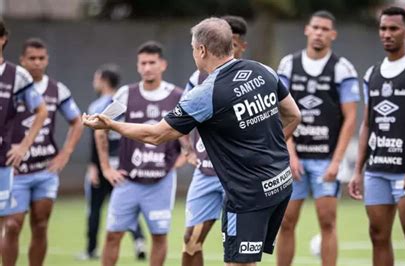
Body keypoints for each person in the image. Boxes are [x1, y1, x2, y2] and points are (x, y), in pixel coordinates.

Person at [83, 17, 301, 266]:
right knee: (230, 255)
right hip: (279, 183)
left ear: (201, 50)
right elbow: (293, 115)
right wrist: (267, 148)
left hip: (246, 193)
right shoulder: (263, 71)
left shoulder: (206, 92)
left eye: (192, 49)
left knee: (238, 263)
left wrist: (110, 124)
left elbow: (156, 135)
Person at [348, 6, 405, 265]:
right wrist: (358, 169)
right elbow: (367, 123)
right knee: (378, 235)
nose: (387, 34)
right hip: (377, 169)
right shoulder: (372, 74)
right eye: (383, 28)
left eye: (393, 29)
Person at [275, 10, 359, 266]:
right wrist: (290, 154)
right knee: (286, 221)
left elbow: (350, 119)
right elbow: (279, 112)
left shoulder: (342, 68)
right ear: (307, 30)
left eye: (325, 29)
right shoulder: (289, 64)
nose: (319, 33)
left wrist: (336, 162)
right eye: (316, 27)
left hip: (326, 159)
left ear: (332, 35)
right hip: (294, 159)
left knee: (327, 221)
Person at [93, 41, 182, 266]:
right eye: (143, 63)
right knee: (113, 234)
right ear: (137, 66)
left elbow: (189, 132)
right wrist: (106, 168)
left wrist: (186, 156)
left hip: (161, 181)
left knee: (159, 236)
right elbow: (101, 126)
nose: (147, 67)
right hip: (128, 180)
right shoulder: (126, 94)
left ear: (163, 64)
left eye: (152, 62)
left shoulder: (177, 96)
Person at [2, 38, 83, 266]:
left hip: (44, 170)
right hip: (15, 170)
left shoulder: (57, 90)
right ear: (22, 61)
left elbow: (77, 122)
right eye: (32, 59)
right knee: (12, 224)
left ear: (47, 60)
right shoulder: (10, 86)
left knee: (40, 224)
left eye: (41, 58)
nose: (37, 63)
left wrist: (65, 153)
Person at [181, 15, 247, 266]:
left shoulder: (250, 77)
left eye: (231, 41)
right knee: (190, 240)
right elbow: (181, 116)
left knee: (238, 251)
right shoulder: (197, 78)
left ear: (239, 45)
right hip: (207, 173)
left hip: (239, 177)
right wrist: (187, 149)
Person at [77, 64, 146, 261]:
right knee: (129, 206)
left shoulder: (98, 107)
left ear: (104, 81)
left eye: (96, 77)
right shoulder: (127, 102)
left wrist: (93, 166)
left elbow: (96, 137)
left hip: (103, 164)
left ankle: (90, 249)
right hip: (125, 163)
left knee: (95, 208)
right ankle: (139, 241)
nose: (94, 81)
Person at [0, 22, 48, 257]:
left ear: (3, 39)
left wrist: (24, 147)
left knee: (5, 225)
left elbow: (41, 111)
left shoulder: (16, 75)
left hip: (3, 163)